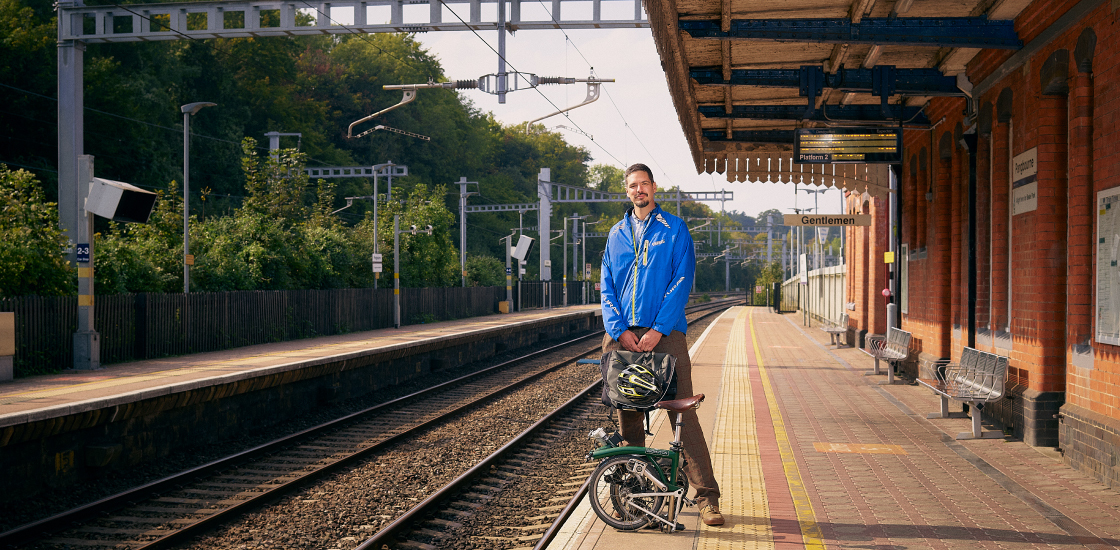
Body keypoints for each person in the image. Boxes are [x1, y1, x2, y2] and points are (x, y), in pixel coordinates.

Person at [599, 163, 724, 527]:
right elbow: (606, 287)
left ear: (654, 187)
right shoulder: (616, 234)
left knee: (682, 413)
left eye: (644, 184)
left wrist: (658, 328)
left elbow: (682, 279)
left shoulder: (674, 229)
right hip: (622, 336)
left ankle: (707, 499)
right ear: (627, 191)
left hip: (665, 334)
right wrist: (619, 329)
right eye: (632, 186)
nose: (639, 190)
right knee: (628, 415)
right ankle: (634, 497)